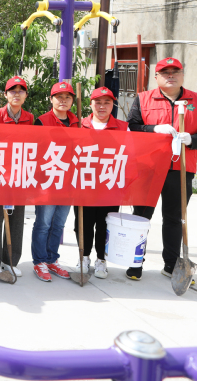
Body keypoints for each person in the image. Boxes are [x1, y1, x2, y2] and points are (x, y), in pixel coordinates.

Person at [126, 57, 196, 282]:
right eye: (165, 72)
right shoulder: (143, 99)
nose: (171, 75)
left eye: (175, 71)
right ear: (156, 77)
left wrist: (192, 139)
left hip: (181, 167)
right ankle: (135, 261)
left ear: (182, 75)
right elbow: (133, 127)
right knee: (141, 216)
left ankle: (171, 264)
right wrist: (153, 129)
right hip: (149, 166)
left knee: (174, 218)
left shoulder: (194, 100)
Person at [0, 76, 34, 280]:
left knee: (16, 217)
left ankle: (10, 259)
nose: (16, 94)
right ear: (5, 94)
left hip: (19, 173)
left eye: (21, 91)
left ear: (26, 95)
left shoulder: (29, 118)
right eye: (13, 90)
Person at [75, 87, 127, 279]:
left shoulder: (123, 127)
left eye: (107, 102)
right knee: (83, 223)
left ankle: (101, 260)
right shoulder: (80, 124)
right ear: (91, 104)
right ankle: (83, 257)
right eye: (98, 102)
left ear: (113, 105)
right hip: (84, 184)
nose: (102, 106)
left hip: (109, 185)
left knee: (105, 224)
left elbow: (131, 154)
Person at [30, 81, 78, 282]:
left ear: (72, 100)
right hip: (47, 181)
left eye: (67, 97)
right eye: (59, 97)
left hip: (68, 182)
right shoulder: (42, 121)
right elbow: (34, 150)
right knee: (44, 223)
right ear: (51, 99)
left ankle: (52, 259)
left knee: (59, 224)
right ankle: (39, 261)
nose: (63, 101)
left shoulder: (77, 122)